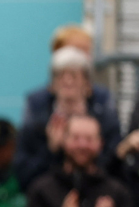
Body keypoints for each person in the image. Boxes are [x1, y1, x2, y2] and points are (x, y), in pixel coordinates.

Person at [14, 46, 120, 191]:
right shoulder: (36, 121)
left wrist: (88, 151)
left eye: (74, 75)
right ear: (51, 85)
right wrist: (50, 150)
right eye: (60, 75)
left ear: (88, 84)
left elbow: (118, 171)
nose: (68, 81)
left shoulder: (105, 119)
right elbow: (23, 178)